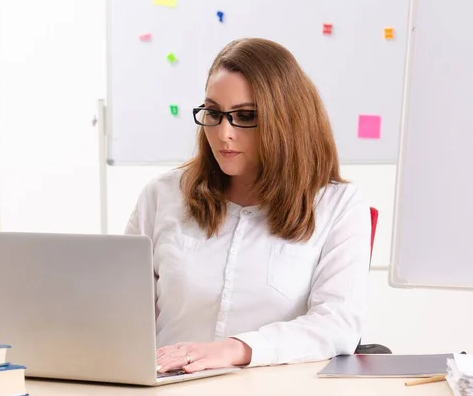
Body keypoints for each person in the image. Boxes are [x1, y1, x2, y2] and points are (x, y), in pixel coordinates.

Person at [124, 37, 371, 374]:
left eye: (245, 116)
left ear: (286, 120)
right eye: (213, 112)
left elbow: (337, 324)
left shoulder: (339, 206)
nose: (224, 133)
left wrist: (238, 349)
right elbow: (120, 311)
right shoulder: (162, 196)